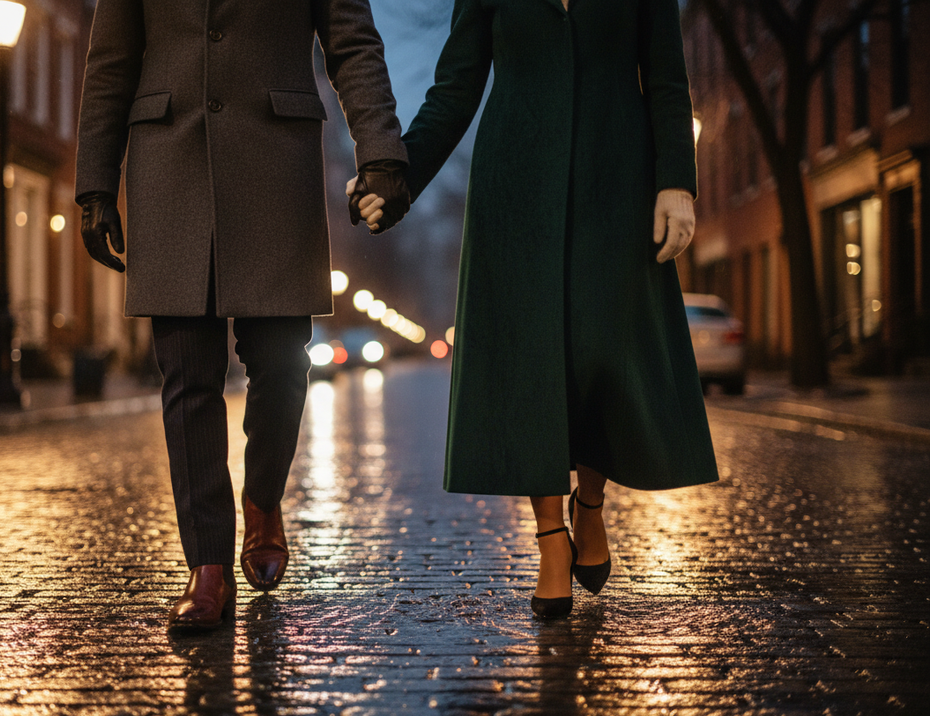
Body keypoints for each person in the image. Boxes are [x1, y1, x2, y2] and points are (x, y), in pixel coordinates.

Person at [352, 0, 718, 619]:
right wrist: (399, 180)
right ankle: (551, 536)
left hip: (619, 179)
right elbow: (456, 87)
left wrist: (676, 179)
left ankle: (591, 504)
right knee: (531, 365)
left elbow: (665, 77)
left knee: (603, 353)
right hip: (515, 187)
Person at [76, 0, 411, 630]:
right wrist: (94, 182)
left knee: (283, 365)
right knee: (186, 375)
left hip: (274, 165)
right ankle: (207, 567)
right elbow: (111, 60)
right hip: (168, 162)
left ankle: (262, 501)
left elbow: (352, 44)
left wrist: (382, 152)